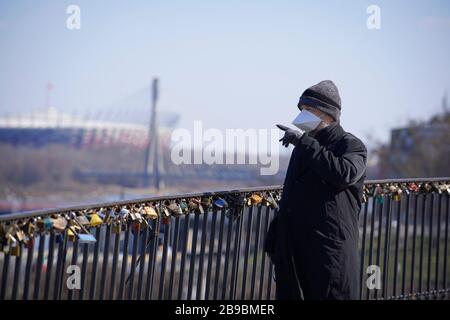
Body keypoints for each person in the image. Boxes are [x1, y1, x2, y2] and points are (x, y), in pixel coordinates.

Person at [264, 80, 368, 300]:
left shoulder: (351, 145)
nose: (303, 116)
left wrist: (304, 143)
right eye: (302, 110)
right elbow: (292, 193)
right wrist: (276, 235)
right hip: (296, 252)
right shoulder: (304, 146)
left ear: (328, 114)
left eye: (310, 110)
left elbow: (343, 174)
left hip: (328, 253)